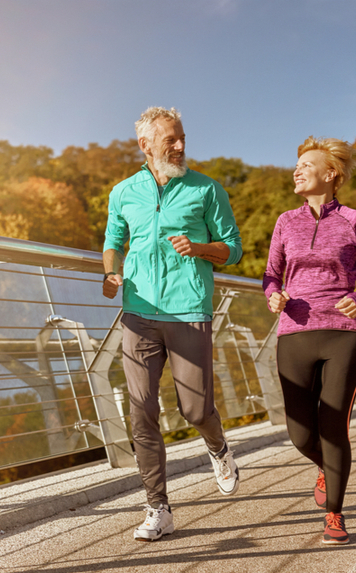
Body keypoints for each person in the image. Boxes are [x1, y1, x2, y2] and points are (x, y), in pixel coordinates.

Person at [102, 106, 243, 541]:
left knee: (196, 409)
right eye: (170, 140)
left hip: (189, 309)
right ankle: (157, 508)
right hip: (139, 314)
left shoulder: (206, 189)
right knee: (141, 410)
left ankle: (218, 448)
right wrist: (110, 272)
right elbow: (112, 242)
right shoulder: (124, 192)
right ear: (146, 146)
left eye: (182, 137)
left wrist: (200, 249)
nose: (180, 146)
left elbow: (233, 248)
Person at [262, 137, 356, 545]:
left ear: (331, 174)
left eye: (306, 164)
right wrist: (273, 294)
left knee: (334, 427)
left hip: (343, 335)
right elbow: (270, 274)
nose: (297, 170)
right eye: (296, 164)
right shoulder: (286, 221)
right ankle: (327, 466)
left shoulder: (354, 219)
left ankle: (335, 514)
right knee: (301, 433)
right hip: (294, 334)